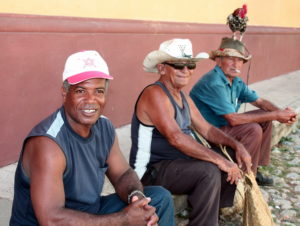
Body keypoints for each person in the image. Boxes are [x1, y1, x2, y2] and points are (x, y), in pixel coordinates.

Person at [10, 50, 175, 226]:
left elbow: (122, 174)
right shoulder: (48, 143)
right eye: (81, 91)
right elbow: (51, 220)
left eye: (98, 91)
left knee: (159, 199)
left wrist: (137, 198)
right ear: (65, 93)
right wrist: (124, 220)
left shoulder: (104, 127)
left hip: (88, 214)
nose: (91, 100)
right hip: (55, 221)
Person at [129, 38, 253, 226]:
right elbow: (176, 138)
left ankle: (211, 214)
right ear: (162, 68)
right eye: (179, 65)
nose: (186, 71)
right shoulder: (154, 93)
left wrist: (237, 145)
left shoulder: (182, 96)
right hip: (150, 171)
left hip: (176, 163)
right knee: (210, 170)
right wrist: (219, 160)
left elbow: (208, 130)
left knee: (230, 157)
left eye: (190, 66)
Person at [190, 37, 297, 186]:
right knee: (253, 129)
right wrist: (277, 115)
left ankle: (254, 169)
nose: (236, 64)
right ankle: (244, 180)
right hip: (206, 133)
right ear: (219, 60)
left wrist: (282, 113)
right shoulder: (214, 82)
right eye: (230, 59)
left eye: (240, 60)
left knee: (264, 118)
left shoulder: (236, 81)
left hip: (223, 127)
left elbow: (260, 102)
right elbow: (233, 119)